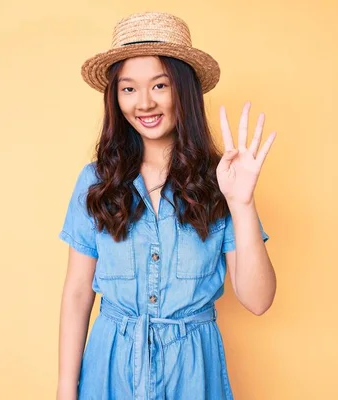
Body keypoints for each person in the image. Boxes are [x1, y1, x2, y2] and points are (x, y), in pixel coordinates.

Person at [57, 11, 277, 400]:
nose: (144, 103)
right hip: (111, 369)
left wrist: (241, 203)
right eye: (128, 89)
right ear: (115, 97)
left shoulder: (221, 181)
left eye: (159, 85)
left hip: (192, 372)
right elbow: (77, 294)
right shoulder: (95, 181)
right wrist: (65, 389)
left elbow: (258, 301)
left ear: (183, 90)